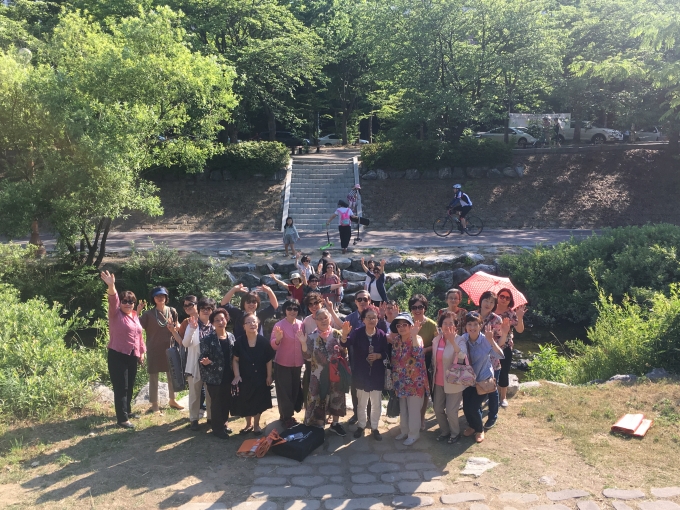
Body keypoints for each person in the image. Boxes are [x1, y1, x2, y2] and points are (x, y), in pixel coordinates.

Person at [100, 271, 146, 429]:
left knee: (130, 384)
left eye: (131, 301)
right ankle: (122, 419)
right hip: (117, 355)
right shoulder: (115, 314)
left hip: (132, 355)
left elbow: (139, 335)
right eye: (125, 301)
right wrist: (111, 285)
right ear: (121, 303)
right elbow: (113, 299)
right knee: (121, 387)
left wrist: (141, 353)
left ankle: (128, 411)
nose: (128, 304)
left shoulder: (134, 315)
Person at [297, 309, 348, 436]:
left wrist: (345, 337)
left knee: (337, 396)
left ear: (330, 319)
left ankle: (335, 423)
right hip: (318, 374)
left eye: (325, 318)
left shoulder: (337, 334)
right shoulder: (311, 336)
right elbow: (307, 356)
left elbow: (344, 353)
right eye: (320, 318)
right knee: (319, 398)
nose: (323, 320)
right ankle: (319, 424)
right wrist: (303, 343)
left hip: (335, 373)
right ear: (316, 321)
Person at [341, 307, 388, 440]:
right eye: (369, 317)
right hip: (361, 374)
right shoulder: (357, 333)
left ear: (378, 319)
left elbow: (386, 353)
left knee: (376, 403)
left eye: (374, 317)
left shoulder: (381, 334)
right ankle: (361, 426)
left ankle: (374, 427)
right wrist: (344, 334)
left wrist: (378, 355)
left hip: (377, 374)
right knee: (361, 403)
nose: (372, 320)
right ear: (363, 320)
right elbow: (345, 343)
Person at [460, 312, 504, 443]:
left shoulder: (485, 339)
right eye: (469, 324)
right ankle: (472, 426)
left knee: (474, 407)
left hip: (483, 379)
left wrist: (492, 341)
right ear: (466, 326)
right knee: (466, 407)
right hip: (468, 379)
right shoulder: (463, 339)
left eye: (475, 324)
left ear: (480, 325)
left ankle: (479, 429)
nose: (472, 327)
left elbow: (501, 355)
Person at [139, 286, 183, 413]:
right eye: (157, 296)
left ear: (166, 297)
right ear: (153, 298)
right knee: (153, 377)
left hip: (170, 348)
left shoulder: (172, 311)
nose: (160, 298)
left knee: (172, 374)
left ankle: (172, 400)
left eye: (162, 296)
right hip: (154, 349)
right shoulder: (148, 314)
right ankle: (154, 404)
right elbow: (136, 326)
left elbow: (178, 325)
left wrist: (176, 327)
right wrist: (137, 312)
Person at [390, 312, 429, 446]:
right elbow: (394, 360)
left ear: (410, 326)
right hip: (400, 381)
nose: (401, 328)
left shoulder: (417, 338)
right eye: (399, 325)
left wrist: (414, 335)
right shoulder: (396, 340)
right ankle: (404, 431)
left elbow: (418, 355)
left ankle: (413, 434)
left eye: (404, 325)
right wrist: (394, 379)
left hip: (415, 382)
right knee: (403, 408)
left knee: (413, 410)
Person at [232, 313, 275, 435]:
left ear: (258, 324)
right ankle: (248, 424)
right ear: (244, 326)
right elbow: (235, 360)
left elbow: (268, 360)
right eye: (248, 322)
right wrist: (237, 375)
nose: (252, 324)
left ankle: (256, 425)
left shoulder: (264, 342)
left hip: (260, 376)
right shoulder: (239, 342)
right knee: (245, 400)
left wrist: (269, 376)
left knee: (259, 401)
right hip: (244, 376)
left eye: (254, 322)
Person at [199, 308, 236, 440]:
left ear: (227, 320)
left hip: (228, 375)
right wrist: (205, 362)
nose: (220, 322)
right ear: (212, 323)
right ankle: (217, 429)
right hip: (214, 377)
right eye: (217, 320)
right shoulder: (207, 339)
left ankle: (224, 424)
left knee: (226, 401)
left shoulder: (231, 336)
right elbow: (202, 357)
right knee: (216, 403)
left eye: (222, 319)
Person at [431, 311, 467, 444]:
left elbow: (463, 357)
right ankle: (445, 431)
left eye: (450, 323)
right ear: (440, 325)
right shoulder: (436, 340)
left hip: (454, 381)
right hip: (438, 380)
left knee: (451, 411)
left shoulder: (460, 339)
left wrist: (452, 341)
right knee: (438, 409)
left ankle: (455, 433)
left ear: (455, 325)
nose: (447, 326)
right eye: (445, 323)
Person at [477, 290, 510, 429]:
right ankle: (476, 417)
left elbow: (500, 343)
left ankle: (492, 416)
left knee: (492, 389)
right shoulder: (472, 316)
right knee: (476, 389)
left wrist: (505, 333)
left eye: (492, 302)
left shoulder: (496, 319)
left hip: (492, 360)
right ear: (481, 301)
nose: (488, 304)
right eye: (486, 300)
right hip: (475, 359)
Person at [180, 296, 215, 430]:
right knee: (194, 394)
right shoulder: (192, 324)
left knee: (211, 393)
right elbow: (185, 343)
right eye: (203, 308)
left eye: (209, 308)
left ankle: (211, 418)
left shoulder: (214, 325)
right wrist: (192, 329)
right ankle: (194, 419)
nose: (206, 311)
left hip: (210, 365)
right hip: (195, 365)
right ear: (199, 310)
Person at [270, 299, 305, 428]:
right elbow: (273, 345)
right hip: (282, 363)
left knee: (295, 389)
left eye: (295, 309)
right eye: (289, 308)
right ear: (284, 310)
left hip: (297, 363)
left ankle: (287, 414)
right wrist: (278, 340)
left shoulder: (301, 324)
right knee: (284, 392)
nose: (292, 311)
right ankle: (287, 417)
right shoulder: (279, 325)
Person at [408, 294, 438, 429]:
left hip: (425, 360)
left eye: (420, 307)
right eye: (414, 307)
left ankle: (421, 418)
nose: (417, 310)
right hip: (409, 361)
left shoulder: (432, 325)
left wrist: (425, 350)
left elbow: (437, 344)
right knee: (410, 389)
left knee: (424, 390)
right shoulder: (407, 322)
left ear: (425, 307)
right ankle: (409, 417)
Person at [493, 288, 526, 408]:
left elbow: (520, 330)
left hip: (505, 347)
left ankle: (503, 397)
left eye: (507, 298)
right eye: (502, 296)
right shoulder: (490, 309)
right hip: (489, 345)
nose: (504, 299)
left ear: (510, 300)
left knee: (503, 371)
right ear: (497, 296)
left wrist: (520, 317)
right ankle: (489, 393)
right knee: (487, 371)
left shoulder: (511, 313)